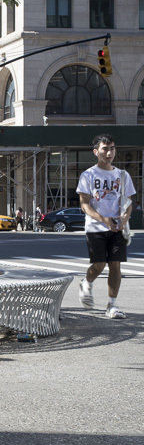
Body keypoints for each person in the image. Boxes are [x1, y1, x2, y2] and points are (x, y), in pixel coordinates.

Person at [76, 134, 136, 319]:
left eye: (112, 148)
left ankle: (112, 305)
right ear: (96, 152)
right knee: (99, 264)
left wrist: (123, 221)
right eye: (105, 149)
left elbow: (128, 202)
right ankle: (86, 282)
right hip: (96, 227)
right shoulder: (88, 175)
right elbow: (84, 204)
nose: (109, 152)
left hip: (117, 229)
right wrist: (104, 219)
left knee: (115, 265)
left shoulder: (122, 175)